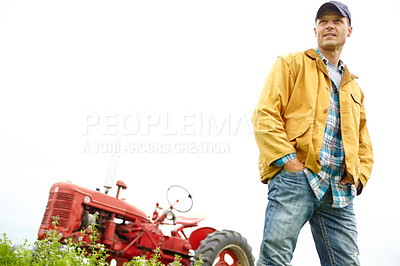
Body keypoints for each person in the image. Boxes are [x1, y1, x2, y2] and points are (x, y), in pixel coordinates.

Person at [251, 1, 373, 265]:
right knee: (275, 259)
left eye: (337, 21)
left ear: (349, 30)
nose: (329, 25)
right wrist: (289, 162)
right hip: (297, 179)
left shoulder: (354, 88)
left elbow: (364, 142)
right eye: (323, 21)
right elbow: (265, 114)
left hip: (338, 193)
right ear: (315, 30)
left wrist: (358, 178)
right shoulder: (291, 64)